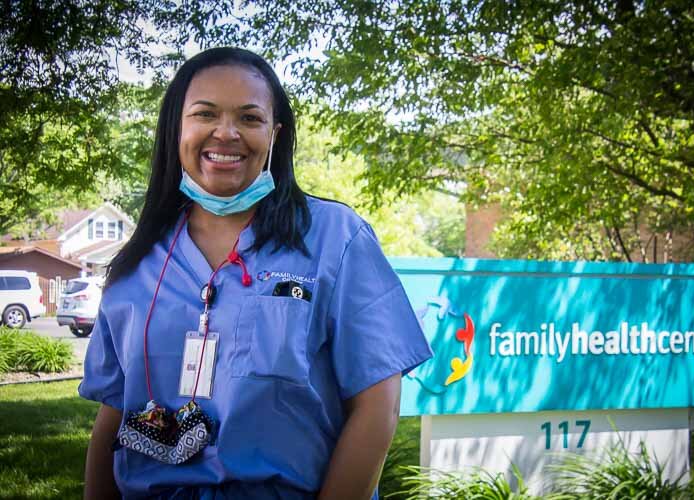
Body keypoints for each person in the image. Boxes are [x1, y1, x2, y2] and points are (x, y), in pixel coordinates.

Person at [79, 47, 433, 499]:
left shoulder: (335, 239)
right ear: (176, 128)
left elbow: (377, 403)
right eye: (205, 114)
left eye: (249, 118)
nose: (226, 133)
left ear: (275, 134)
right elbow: (114, 413)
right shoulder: (138, 262)